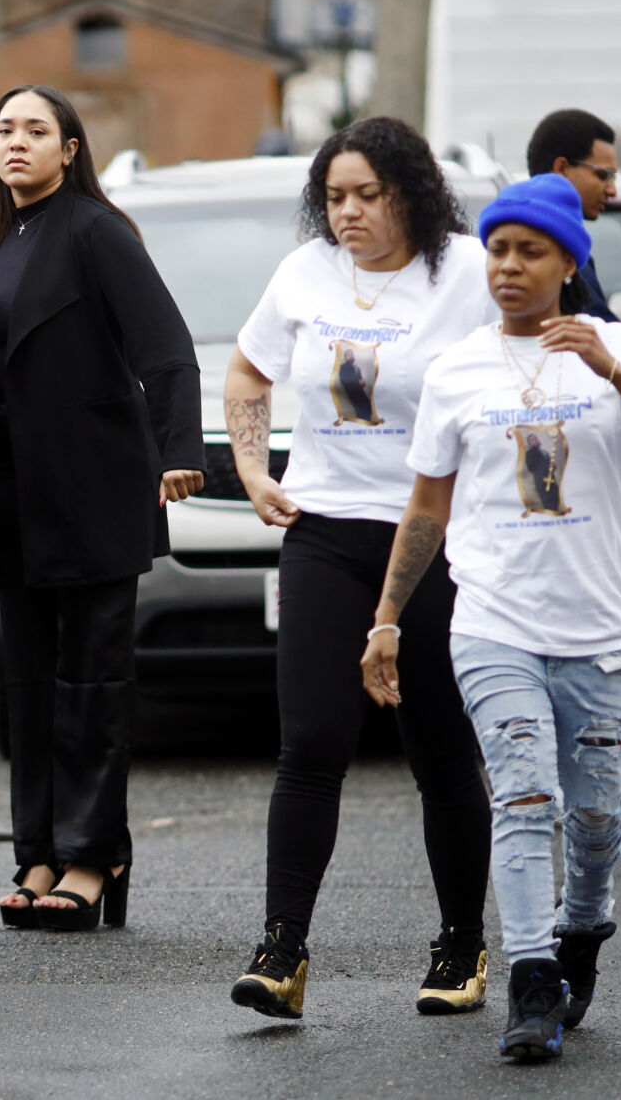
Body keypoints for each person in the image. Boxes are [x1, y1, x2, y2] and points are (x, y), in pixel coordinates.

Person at [363, 174, 621, 1060]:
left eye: (530, 252)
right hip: (492, 622)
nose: (508, 266)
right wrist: (388, 615)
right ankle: (530, 977)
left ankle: (583, 925)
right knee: (519, 796)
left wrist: (611, 369)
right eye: (498, 249)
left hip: (594, 629)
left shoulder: (617, 346)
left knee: (593, 819)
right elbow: (426, 506)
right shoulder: (455, 369)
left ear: (566, 262)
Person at [0, 85, 204, 931]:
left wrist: (180, 452)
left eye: (37, 130)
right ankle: (36, 853)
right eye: (4, 129)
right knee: (28, 681)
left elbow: (167, 351)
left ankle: (91, 857)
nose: (17, 143)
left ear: (69, 149)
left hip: (96, 487)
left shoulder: (97, 231)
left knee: (93, 681)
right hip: (13, 493)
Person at [223, 118, 495, 1023]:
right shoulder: (304, 273)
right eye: (334, 196)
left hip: (434, 541)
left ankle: (461, 947)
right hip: (324, 534)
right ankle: (281, 951)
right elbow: (248, 371)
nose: (347, 213)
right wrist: (258, 468)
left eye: (365, 195)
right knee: (310, 745)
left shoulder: (464, 271)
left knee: (439, 751)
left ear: (408, 193)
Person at [526, 109, 619, 322]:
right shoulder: (557, 251)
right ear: (562, 168)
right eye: (603, 175)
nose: (613, 190)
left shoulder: (571, 248)